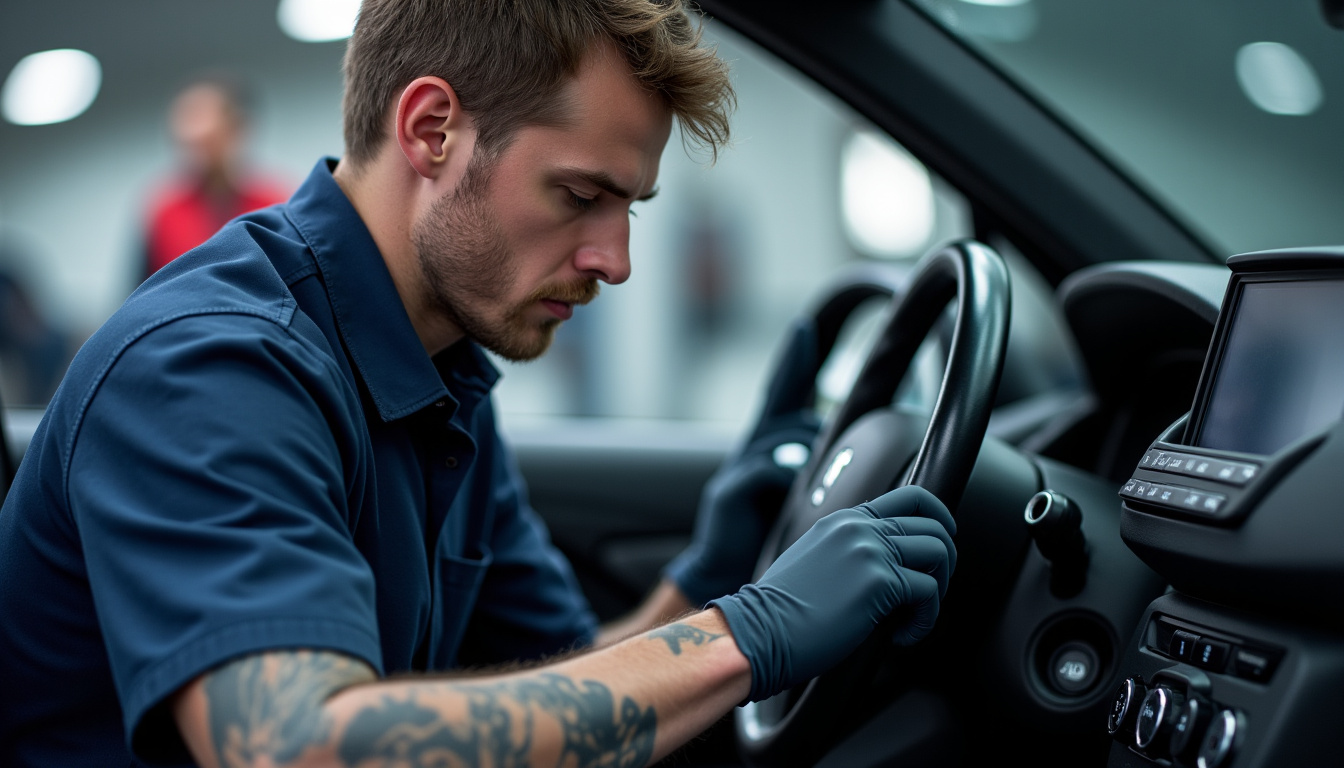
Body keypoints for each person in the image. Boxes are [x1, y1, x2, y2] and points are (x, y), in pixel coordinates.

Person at [0, 2, 958, 766]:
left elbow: (564, 684)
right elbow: (297, 747)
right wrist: (746, 638)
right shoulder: (213, 368)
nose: (616, 259)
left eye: (628, 207)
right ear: (432, 130)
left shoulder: (440, 365)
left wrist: (709, 580)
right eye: (580, 195)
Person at [139, 73, 291, 280]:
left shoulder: (274, 206)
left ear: (237, 127)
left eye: (199, 117)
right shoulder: (164, 213)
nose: (190, 133)